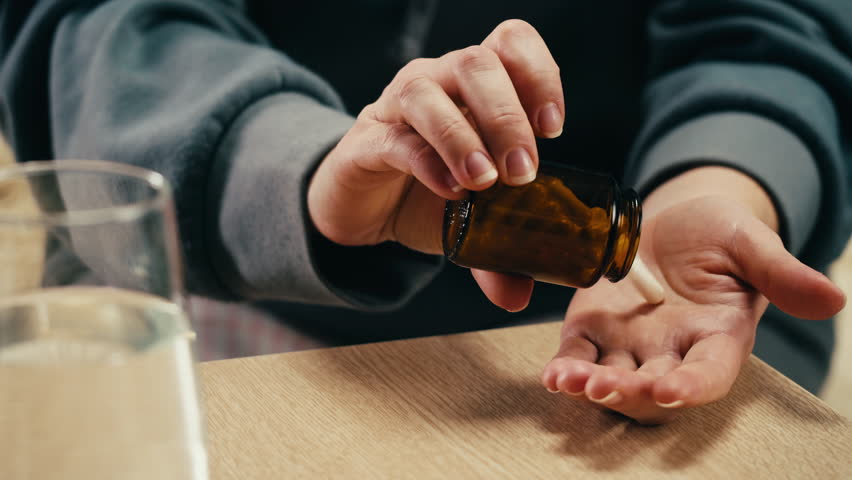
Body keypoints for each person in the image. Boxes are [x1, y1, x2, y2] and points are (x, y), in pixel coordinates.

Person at [1, 1, 850, 424]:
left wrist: (725, 183)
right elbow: (95, 28)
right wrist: (311, 173)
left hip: (644, 327)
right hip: (241, 265)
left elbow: (776, 30)